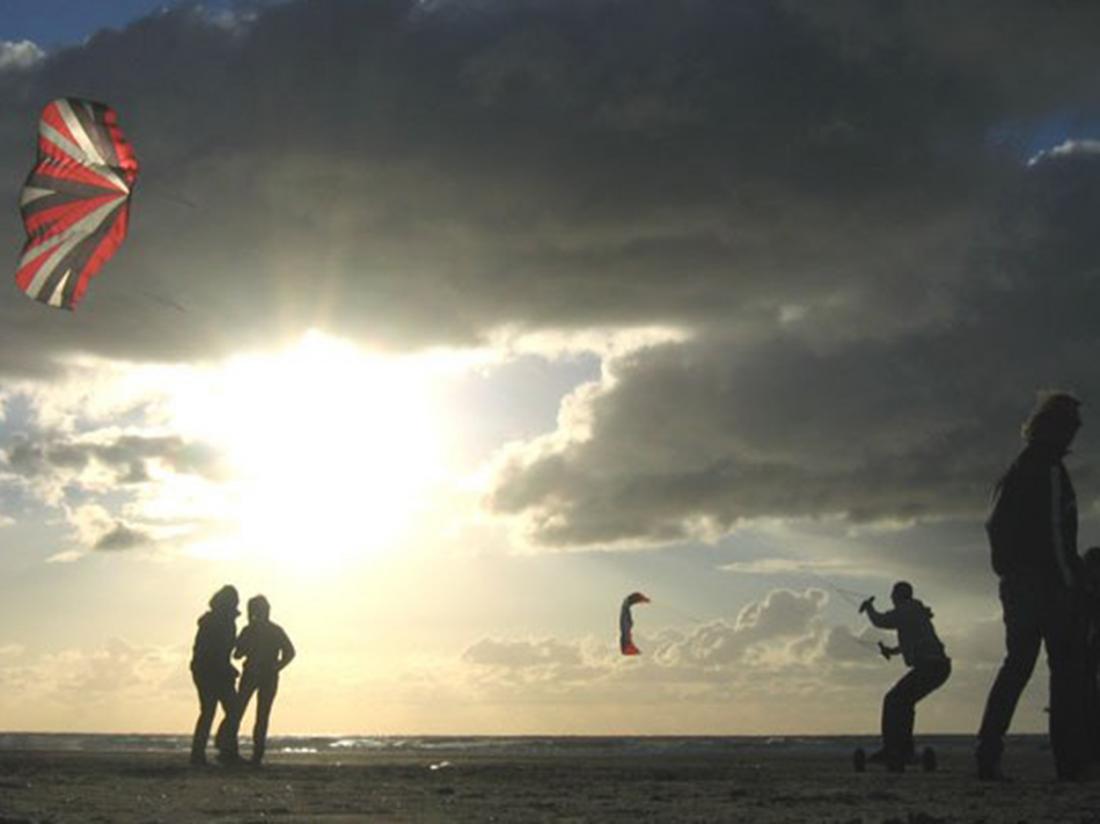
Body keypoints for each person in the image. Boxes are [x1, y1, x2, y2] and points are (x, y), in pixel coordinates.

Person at [977, 391, 1090, 781]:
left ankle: (987, 753)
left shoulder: (1013, 472)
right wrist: (1071, 582)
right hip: (1046, 584)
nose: (1074, 433)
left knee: (1017, 668)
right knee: (1066, 671)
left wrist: (1008, 573)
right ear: (1056, 428)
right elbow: (1058, 533)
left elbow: (995, 528)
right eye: (1071, 426)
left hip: (1016, 583)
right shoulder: (1048, 470)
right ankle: (1070, 761)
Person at [859, 581, 951, 771]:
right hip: (939, 667)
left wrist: (869, 607)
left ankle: (892, 749)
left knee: (892, 700)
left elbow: (880, 621)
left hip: (929, 667)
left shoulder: (905, 611)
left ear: (898, 596)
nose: (891, 599)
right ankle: (904, 749)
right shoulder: (915, 612)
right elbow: (912, 640)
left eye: (893, 595)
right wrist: (892, 651)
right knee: (904, 703)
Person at [231, 595, 295, 765]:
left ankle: (243, 751)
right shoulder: (272, 630)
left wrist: (277, 666)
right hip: (264, 674)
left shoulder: (251, 630)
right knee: (258, 714)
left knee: (241, 712)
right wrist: (278, 666)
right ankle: (253, 754)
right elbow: (290, 652)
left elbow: (237, 654)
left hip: (259, 673)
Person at [189, 585, 242, 766]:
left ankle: (209, 752)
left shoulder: (217, 621)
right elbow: (214, 651)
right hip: (210, 670)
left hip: (207, 669)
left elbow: (221, 651)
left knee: (214, 711)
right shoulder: (218, 622)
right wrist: (227, 669)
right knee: (228, 710)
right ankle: (223, 750)